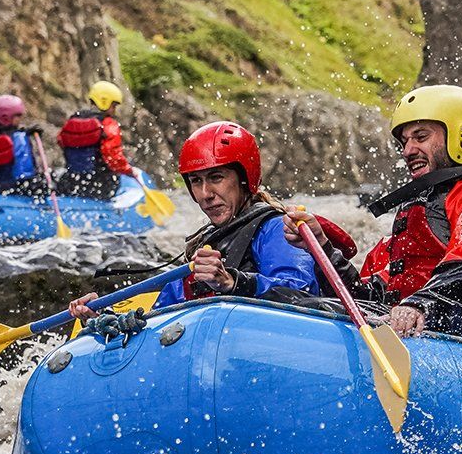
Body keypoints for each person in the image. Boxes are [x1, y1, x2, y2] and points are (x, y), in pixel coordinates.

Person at [286, 86, 462, 338]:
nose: (408, 151)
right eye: (404, 142)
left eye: (420, 137)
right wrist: (323, 247)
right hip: (420, 327)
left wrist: (420, 305)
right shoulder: (421, 209)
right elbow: (371, 294)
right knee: (291, 300)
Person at [68, 123, 349, 323]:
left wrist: (231, 282)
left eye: (216, 178)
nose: (205, 194)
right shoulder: (206, 244)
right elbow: (160, 314)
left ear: (243, 179)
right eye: (196, 182)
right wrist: (103, 317)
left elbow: (301, 296)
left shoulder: (276, 228)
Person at [56, 80, 135, 198]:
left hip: (72, 181)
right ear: (105, 102)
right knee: (113, 177)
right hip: (99, 184)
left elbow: (61, 141)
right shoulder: (108, 124)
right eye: (114, 106)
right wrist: (129, 171)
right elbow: (112, 156)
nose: (114, 110)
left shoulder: (73, 119)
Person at [0, 95, 42, 195]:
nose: (20, 118)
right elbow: (23, 172)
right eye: (18, 115)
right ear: (6, 117)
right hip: (17, 188)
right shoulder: (19, 138)